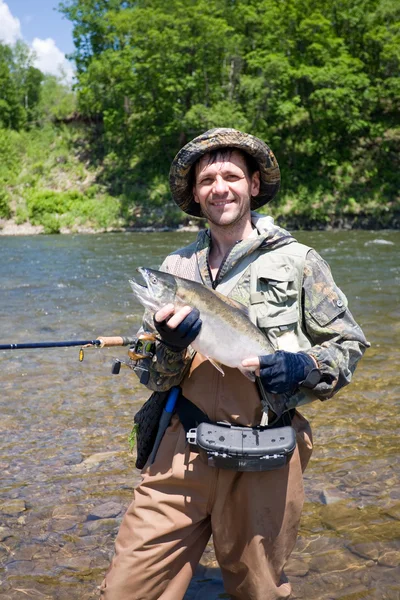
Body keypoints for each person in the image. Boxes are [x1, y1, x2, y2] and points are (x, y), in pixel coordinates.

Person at [100, 128, 369, 600]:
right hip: (181, 450)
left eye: (230, 175)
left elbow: (349, 344)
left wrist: (304, 366)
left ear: (254, 184)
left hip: (266, 454)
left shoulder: (300, 262)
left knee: (258, 592)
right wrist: (168, 346)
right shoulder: (176, 268)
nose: (219, 187)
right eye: (207, 179)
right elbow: (150, 373)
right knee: (126, 588)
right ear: (195, 194)